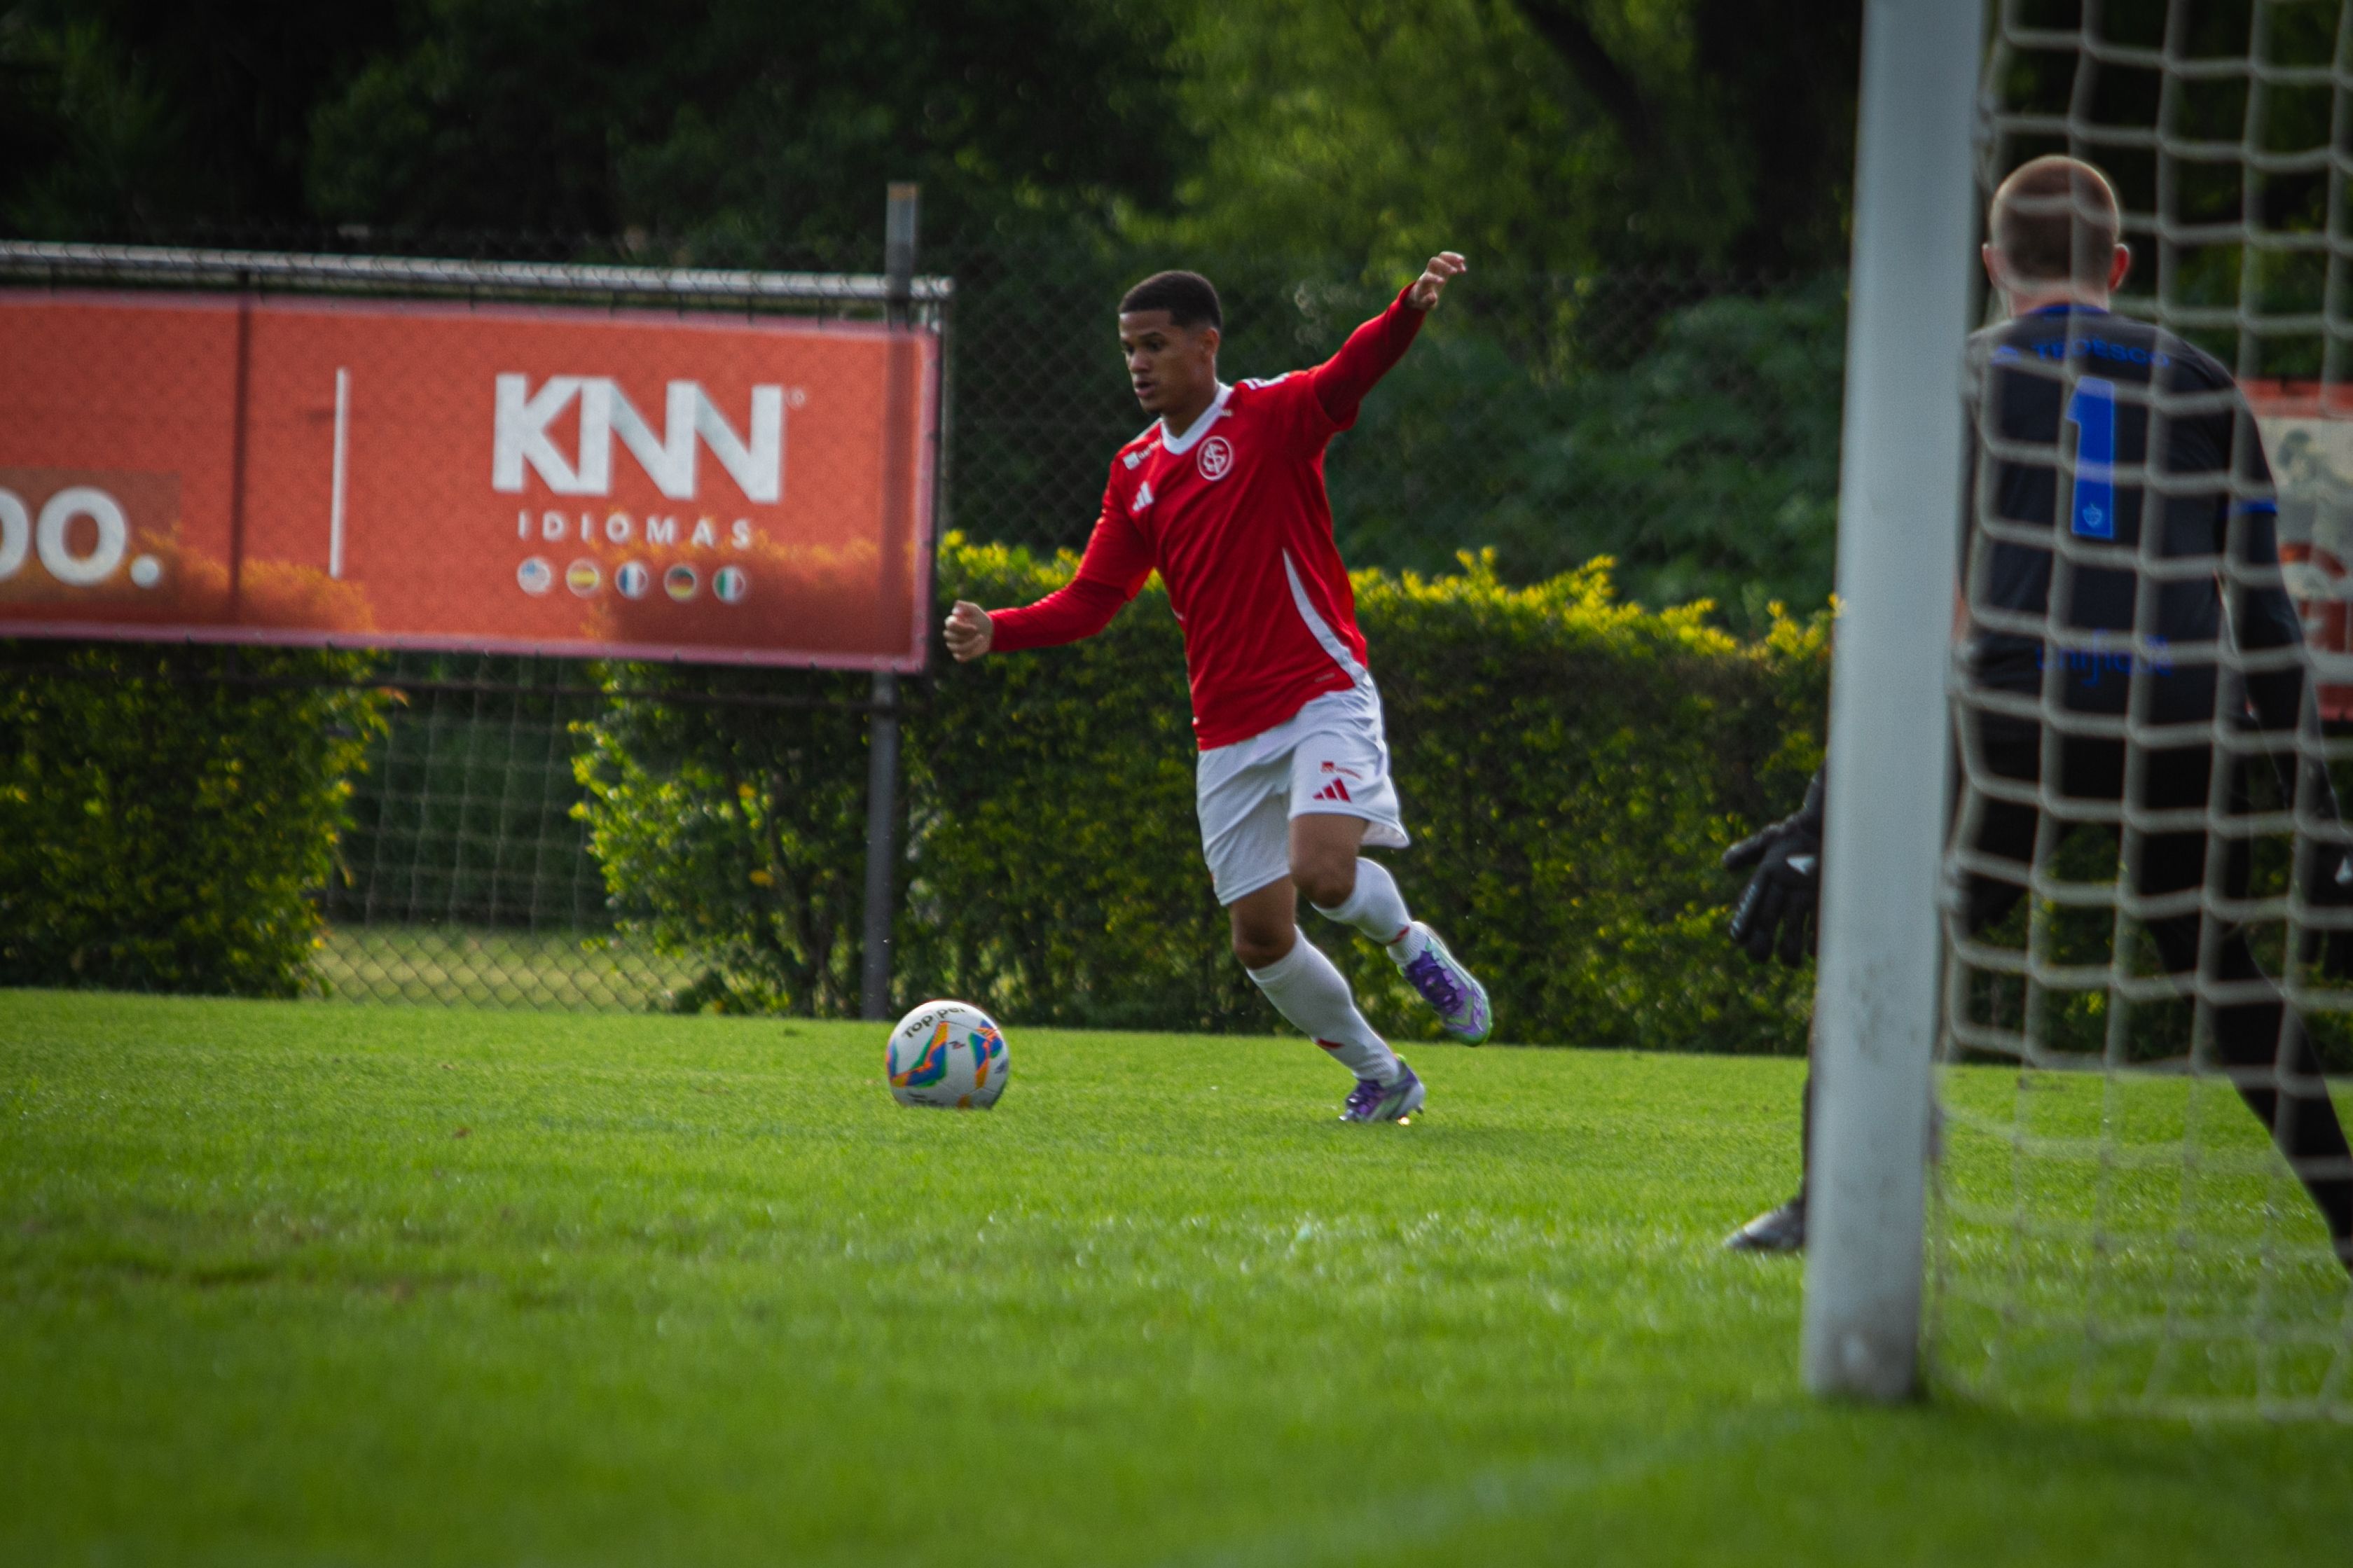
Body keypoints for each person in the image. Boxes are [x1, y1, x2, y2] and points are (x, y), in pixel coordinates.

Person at [1723, 154, 2353, 1271]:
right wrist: (2321, 814)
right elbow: (2262, 612)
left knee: (1893, 945)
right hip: (2181, 712)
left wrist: (1822, 819)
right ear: (2118, 263)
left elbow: (1907, 612)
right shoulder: (2206, 382)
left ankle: (1831, 1202)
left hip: (2019, 706)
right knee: (2219, 967)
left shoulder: (1955, 372)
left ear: (1988, 265)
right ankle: (2349, 1222)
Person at [942, 258, 1492, 1121]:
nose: (1137, 363)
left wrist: (1406, 310)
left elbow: (1348, 373)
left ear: (1207, 346)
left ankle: (1409, 944)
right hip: (1227, 730)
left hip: (1321, 693)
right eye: (1128, 348)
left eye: (1154, 345)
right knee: (1260, 938)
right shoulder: (1133, 473)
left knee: (1321, 870)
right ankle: (1384, 1078)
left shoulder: (1269, 417)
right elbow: (1093, 600)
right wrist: (1000, 628)